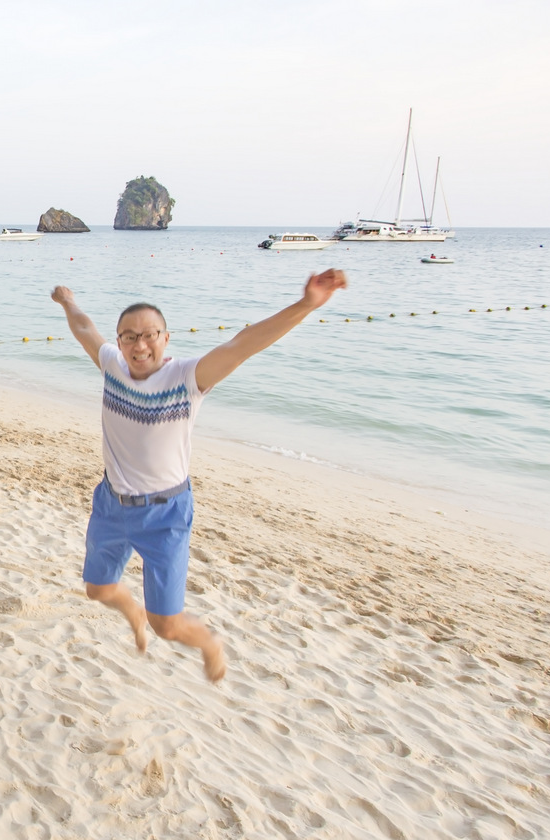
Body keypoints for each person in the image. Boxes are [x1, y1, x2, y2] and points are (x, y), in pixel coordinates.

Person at [50, 270, 349, 682]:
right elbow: (84, 327)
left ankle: (209, 642)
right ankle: (132, 611)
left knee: (167, 626)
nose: (140, 345)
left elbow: (243, 345)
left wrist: (307, 304)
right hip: (111, 505)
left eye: (150, 334)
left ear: (166, 338)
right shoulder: (112, 366)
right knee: (98, 590)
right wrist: (67, 300)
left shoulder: (187, 379)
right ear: (119, 342)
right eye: (130, 336)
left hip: (165, 516)